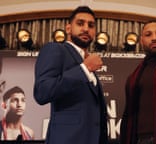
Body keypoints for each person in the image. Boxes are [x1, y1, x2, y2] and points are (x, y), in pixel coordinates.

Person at [33, 6, 108, 144]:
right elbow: (42, 92)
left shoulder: (86, 60)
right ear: (68, 28)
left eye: (91, 25)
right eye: (80, 23)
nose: (86, 29)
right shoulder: (56, 49)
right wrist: (84, 69)